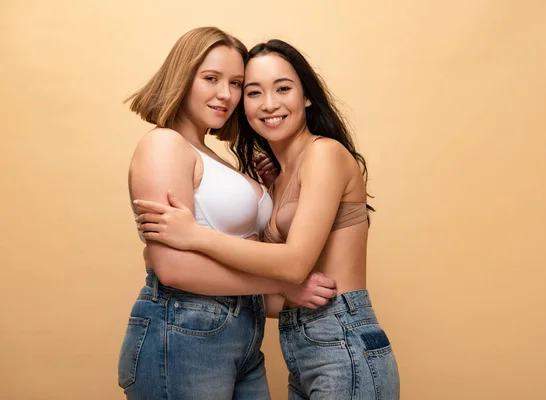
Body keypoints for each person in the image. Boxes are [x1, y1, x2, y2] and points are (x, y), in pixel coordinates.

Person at [134, 39, 400, 399]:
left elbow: (293, 267)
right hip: (300, 343)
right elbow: (278, 284)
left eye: (283, 89)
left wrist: (194, 236)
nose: (269, 103)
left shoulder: (325, 154)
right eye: (254, 91)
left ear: (307, 96)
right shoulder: (277, 176)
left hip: (341, 339)